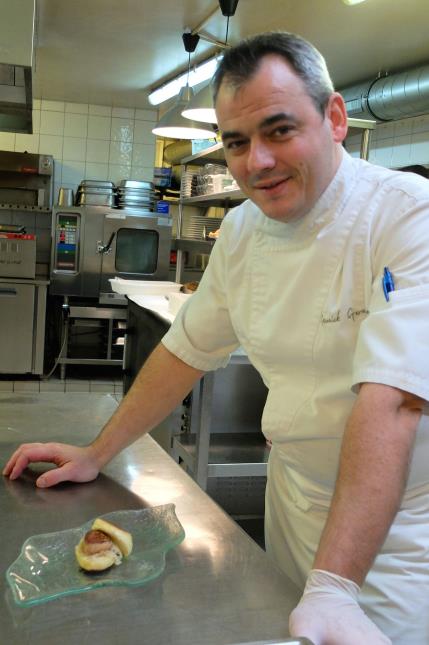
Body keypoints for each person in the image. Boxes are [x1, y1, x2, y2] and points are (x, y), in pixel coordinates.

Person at [4, 32, 429, 644]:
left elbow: (392, 402)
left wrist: (335, 585)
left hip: (394, 540)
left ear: (335, 118)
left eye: (279, 130)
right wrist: (97, 453)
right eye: (236, 142)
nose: (256, 161)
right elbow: (185, 352)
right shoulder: (244, 232)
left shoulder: (405, 214)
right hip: (294, 504)